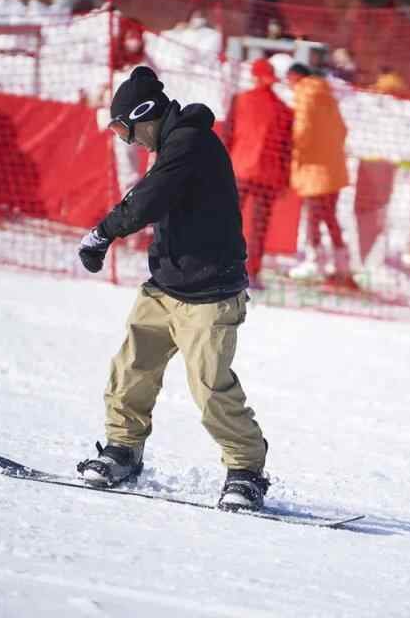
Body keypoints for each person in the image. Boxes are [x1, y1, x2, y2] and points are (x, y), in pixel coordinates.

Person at [75, 67, 269, 512]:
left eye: (126, 130)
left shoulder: (190, 144)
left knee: (209, 386)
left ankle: (246, 470)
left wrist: (103, 233)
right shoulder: (174, 144)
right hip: (165, 286)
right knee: (131, 368)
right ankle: (123, 450)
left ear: (145, 115)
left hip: (211, 292)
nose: (129, 142)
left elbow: (149, 198)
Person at [223, 58, 293, 288]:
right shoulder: (284, 110)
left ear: (253, 75)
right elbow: (286, 148)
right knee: (259, 228)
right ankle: (251, 273)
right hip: (269, 175)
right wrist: (284, 180)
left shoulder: (240, 100)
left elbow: (227, 136)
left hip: (240, 169)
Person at [285, 63, 355, 286]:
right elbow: (343, 130)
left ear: (295, 77)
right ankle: (342, 263)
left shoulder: (304, 93)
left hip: (313, 168)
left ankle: (315, 262)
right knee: (330, 217)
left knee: (314, 217)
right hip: (333, 168)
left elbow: (302, 129)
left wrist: (294, 148)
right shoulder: (328, 96)